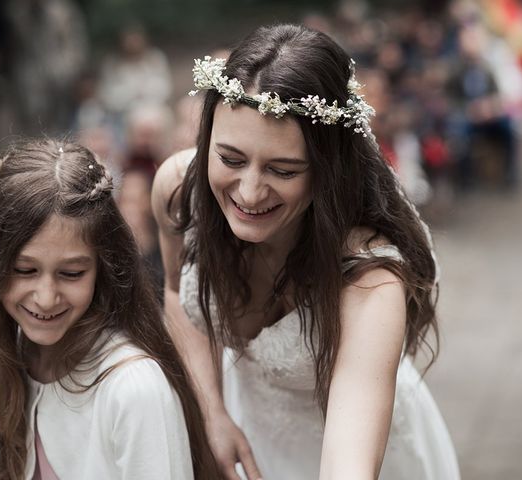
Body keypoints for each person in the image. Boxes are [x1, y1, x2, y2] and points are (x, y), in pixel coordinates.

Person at [152, 24, 460, 480]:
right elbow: (178, 295)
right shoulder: (181, 191)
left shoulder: (368, 274)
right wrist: (212, 411)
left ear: (328, 170)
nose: (250, 193)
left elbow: (348, 463)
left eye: (283, 169)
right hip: (253, 431)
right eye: (231, 159)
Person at [0, 139, 218, 479]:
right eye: (25, 270)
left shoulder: (134, 389)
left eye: (71, 274)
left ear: (103, 266)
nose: (46, 297)